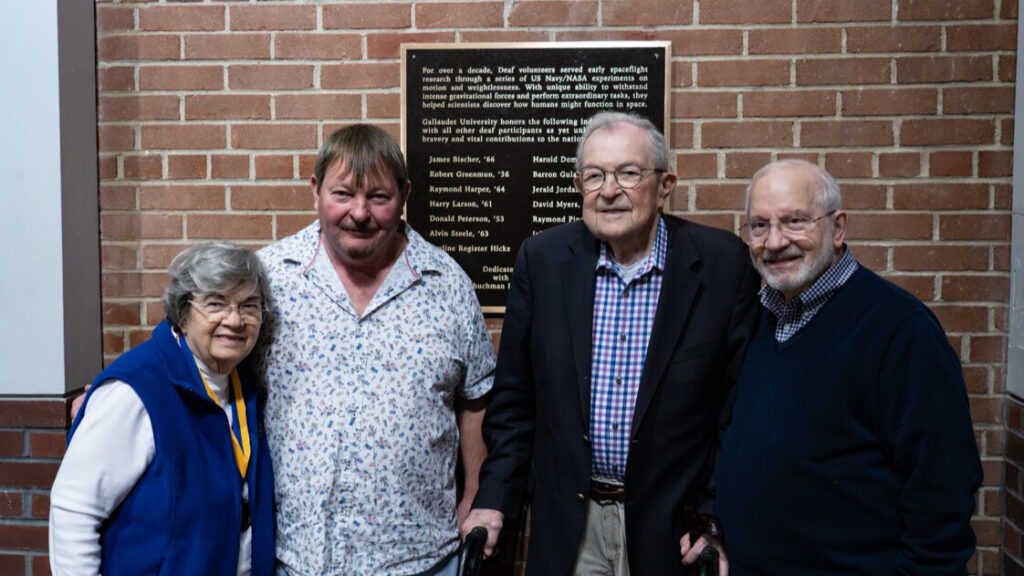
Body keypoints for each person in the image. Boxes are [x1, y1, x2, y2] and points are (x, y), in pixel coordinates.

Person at [463, 111, 761, 575]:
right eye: (595, 175)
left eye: (628, 173)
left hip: (673, 530)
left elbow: (736, 411)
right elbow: (515, 403)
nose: (608, 190)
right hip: (570, 528)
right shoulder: (541, 262)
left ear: (665, 186)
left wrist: (713, 517)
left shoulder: (724, 265)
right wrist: (494, 497)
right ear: (579, 185)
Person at [716, 159, 983, 574]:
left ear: (838, 227)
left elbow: (942, 486)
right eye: (759, 226)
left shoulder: (899, 329)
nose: (775, 241)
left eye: (795, 221)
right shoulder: (761, 317)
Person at [256, 124, 496, 575]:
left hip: (423, 559)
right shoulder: (268, 279)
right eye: (343, 194)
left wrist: (474, 495)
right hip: (297, 558)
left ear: (404, 194)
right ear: (315, 190)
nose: (360, 213)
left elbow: (475, 399)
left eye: (379, 197)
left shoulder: (447, 285)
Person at [49, 241, 275, 576]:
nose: (235, 319)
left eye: (249, 306)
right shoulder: (135, 390)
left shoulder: (244, 385)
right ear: (182, 315)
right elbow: (74, 509)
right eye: (215, 304)